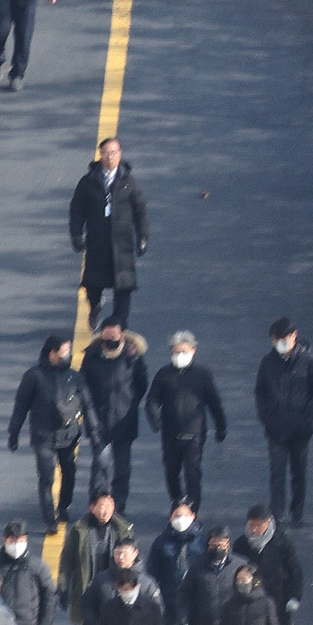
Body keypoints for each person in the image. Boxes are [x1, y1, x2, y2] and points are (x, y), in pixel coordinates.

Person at [8, 334, 101, 534]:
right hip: (43, 437)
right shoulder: (34, 376)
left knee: (69, 472)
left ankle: (64, 505)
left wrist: (93, 430)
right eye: (65, 351)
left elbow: (88, 405)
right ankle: (50, 519)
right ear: (52, 353)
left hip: (68, 435)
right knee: (46, 477)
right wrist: (13, 431)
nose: (69, 355)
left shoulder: (75, 377)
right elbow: (21, 405)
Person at [254, 319, 313, 528]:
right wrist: (266, 416)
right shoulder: (267, 363)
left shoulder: (310, 361)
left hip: (300, 429)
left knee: (298, 472)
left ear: (294, 335)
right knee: (277, 473)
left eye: (284, 339)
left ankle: (297, 512)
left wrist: (307, 413)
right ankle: (276, 514)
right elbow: (260, 391)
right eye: (276, 340)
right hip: (275, 429)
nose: (280, 343)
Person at [68, 137, 148, 331]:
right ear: (100, 155)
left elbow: (140, 211)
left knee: (124, 287)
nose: (110, 157)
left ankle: (119, 325)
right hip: (97, 242)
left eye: (114, 153)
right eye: (106, 153)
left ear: (120, 154)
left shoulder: (129, 183)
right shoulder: (88, 182)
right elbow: (77, 210)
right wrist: (77, 235)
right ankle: (95, 307)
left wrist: (143, 237)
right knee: (93, 285)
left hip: (122, 245)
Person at [58, 487, 134, 625]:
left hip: (114, 593)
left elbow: (134, 561)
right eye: (101, 505)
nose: (106, 510)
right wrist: (63, 588)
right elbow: (67, 561)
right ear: (92, 507)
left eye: (110, 505)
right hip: (88, 595)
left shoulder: (123, 529)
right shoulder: (79, 530)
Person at [143, 331, 227, 515]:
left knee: (192, 472)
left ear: (193, 350)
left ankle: (192, 509)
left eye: (183, 351)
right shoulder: (163, 375)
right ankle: (177, 500)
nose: (179, 355)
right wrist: (154, 420)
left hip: (194, 433)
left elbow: (214, 401)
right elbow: (151, 400)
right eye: (175, 351)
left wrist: (221, 426)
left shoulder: (202, 375)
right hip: (170, 433)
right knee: (171, 472)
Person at [80, 320, 149, 512]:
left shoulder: (132, 357)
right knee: (100, 467)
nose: (110, 339)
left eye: (114, 335)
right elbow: (83, 389)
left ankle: (118, 509)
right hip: (99, 423)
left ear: (122, 335)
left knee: (123, 470)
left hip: (123, 423)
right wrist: (92, 423)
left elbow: (141, 385)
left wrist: (129, 405)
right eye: (107, 335)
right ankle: (97, 507)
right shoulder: (91, 357)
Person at [233, 503, 303, 625]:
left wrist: (295, 596)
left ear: (268, 522)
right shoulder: (241, 544)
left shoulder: (282, 543)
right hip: (252, 599)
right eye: (251, 525)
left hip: (278, 600)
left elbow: (295, 571)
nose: (254, 529)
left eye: (258, 525)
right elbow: (235, 570)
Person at [147, 502, 207, 625]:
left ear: (193, 516)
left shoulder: (203, 541)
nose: (180, 519)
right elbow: (153, 572)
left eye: (184, 515)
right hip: (172, 600)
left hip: (197, 600)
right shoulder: (161, 542)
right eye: (176, 515)